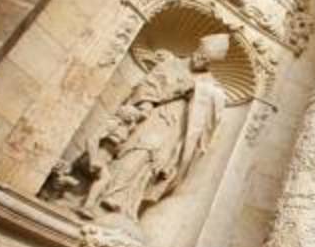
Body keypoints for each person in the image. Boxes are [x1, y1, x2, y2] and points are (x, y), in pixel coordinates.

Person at [76, 33, 230, 223]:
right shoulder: (170, 63)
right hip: (154, 117)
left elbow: (208, 115)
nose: (201, 61)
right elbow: (147, 87)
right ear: (197, 49)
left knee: (153, 163)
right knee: (137, 152)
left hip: (176, 127)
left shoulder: (207, 82)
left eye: (206, 60)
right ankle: (106, 198)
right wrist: (150, 102)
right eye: (201, 55)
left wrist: (202, 93)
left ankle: (128, 206)